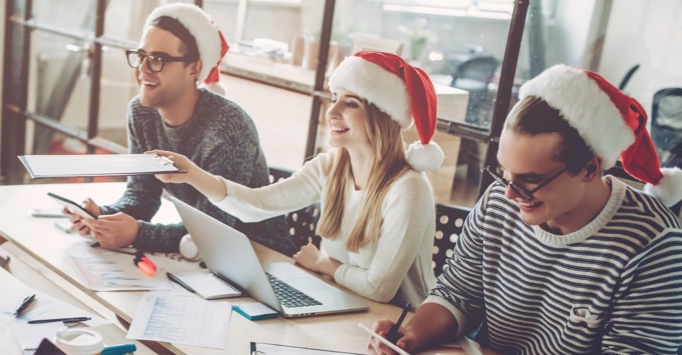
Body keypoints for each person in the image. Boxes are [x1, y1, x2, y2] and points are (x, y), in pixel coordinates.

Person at [369, 65, 682, 354]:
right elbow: (458, 293)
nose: (509, 192)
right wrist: (412, 334)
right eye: (504, 173)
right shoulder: (498, 203)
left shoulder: (655, 245)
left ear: (589, 168)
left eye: (530, 180)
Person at [154, 51, 445, 308]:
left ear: (382, 116)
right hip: (344, 302)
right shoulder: (331, 166)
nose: (332, 111)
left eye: (351, 103)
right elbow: (257, 205)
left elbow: (379, 289)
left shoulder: (408, 189)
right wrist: (192, 174)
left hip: (401, 327)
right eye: (334, 99)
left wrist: (324, 264)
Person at [67, 3, 296, 255]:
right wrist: (102, 217)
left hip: (261, 258)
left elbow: (216, 228)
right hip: (198, 255)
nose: (143, 69)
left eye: (157, 59)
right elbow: (142, 195)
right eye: (141, 56)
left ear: (194, 68)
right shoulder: (142, 113)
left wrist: (139, 234)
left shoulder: (229, 127)